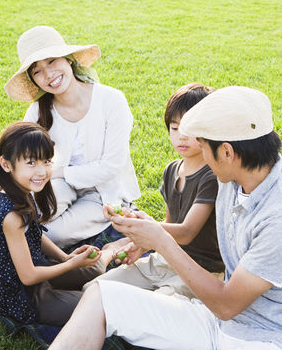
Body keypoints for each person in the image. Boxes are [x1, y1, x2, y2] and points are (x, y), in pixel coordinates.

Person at [49, 86, 282, 350]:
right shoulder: (238, 173)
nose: (200, 153)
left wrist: (161, 240)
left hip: (267, 339)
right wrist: (147, 238)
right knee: (100, 297)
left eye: (204, 145)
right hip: (216, 320)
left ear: (227, 151)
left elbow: (227, 304)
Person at [0, 26, 140, 248]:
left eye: (52, 61)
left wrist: (58, 172)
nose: (48, 75)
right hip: (55, 183)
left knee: (48, 236)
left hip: (103, 191)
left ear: (69, 60)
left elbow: (111, 167)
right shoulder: (39, 110)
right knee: (22, 216)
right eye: (37, 71)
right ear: (33, 80)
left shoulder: (112, 101)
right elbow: (17, 162)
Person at [0, 122, 125, 326]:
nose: (41, 171)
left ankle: (109, 251)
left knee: (93, 270)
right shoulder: (11, 215)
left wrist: (65, 258)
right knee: (102, 309)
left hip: (34, 272)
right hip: (18, 297)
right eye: (31, 163)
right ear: (6, 164)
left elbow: (35, 233)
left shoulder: (21, 190)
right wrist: (71, 265)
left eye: (46, 161)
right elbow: (28, 277)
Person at [84, 83, 224, 298]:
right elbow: (170, 228)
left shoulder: (212, 176)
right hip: (164, 259)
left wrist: (144, 227)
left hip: (201, 271)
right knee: (94, 290)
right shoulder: (172, 170)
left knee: (152, 307)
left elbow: (186, 233)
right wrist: (142, 242)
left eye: (190, 130)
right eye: (175, 128)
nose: (181, 136)